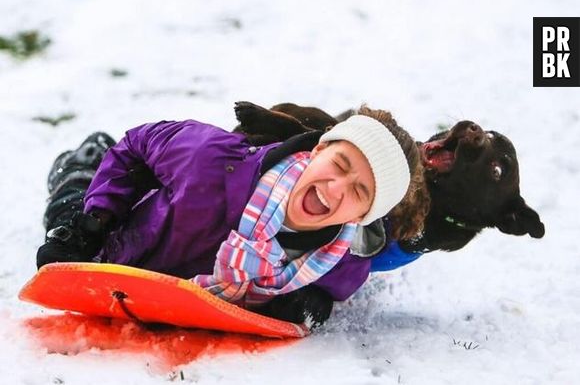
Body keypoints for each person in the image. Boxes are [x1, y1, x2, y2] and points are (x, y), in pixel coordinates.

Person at [36, 105, 425, 325]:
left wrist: (311, 303)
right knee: (68, 205)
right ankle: (80, 162)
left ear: (363, 215)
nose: (336, 188)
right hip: (121, 239)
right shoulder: (209, 159)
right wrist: (93, 222)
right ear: (318, 151)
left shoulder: (339, 263)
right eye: (340, 164)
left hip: (174, 292)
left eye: (359, 192)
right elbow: (136, 145)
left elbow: (331, 291)